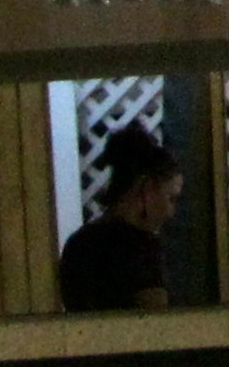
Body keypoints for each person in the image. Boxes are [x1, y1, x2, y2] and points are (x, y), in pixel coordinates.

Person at [59, 125, 186, 312]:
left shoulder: (78, 243)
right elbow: (157, 321)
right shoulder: (140, 249)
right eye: (171, 198)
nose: (171, 212)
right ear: (148, 189)